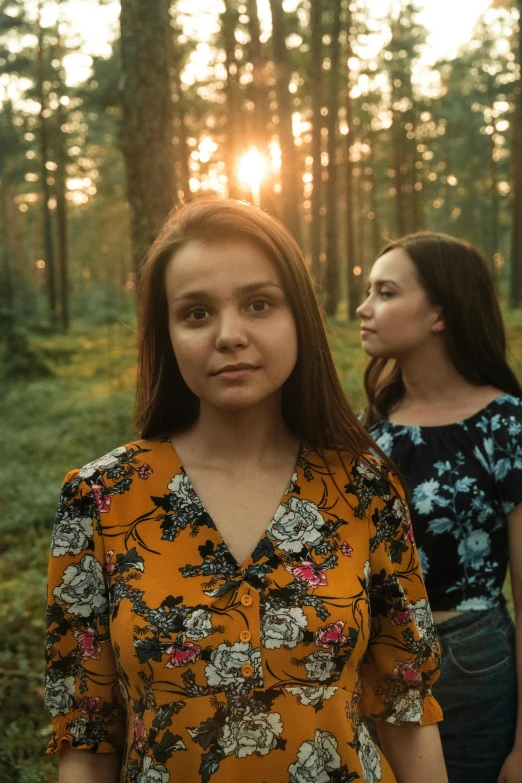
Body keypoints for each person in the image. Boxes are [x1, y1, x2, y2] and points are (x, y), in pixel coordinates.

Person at [45, 199, 447, 783]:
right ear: (169, 335)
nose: (230, 335)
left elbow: (405, 706)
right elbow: (87, 738)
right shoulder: (101, 498)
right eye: (197, 312)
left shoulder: (364, 487)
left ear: (299, 318)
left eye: (259, 304)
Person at [357, 231, 522, 783]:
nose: (364, 308)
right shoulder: (368, 428)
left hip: (470, 662)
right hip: (374, 664)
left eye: (385, 292)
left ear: (439, 315)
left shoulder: (506, 427)